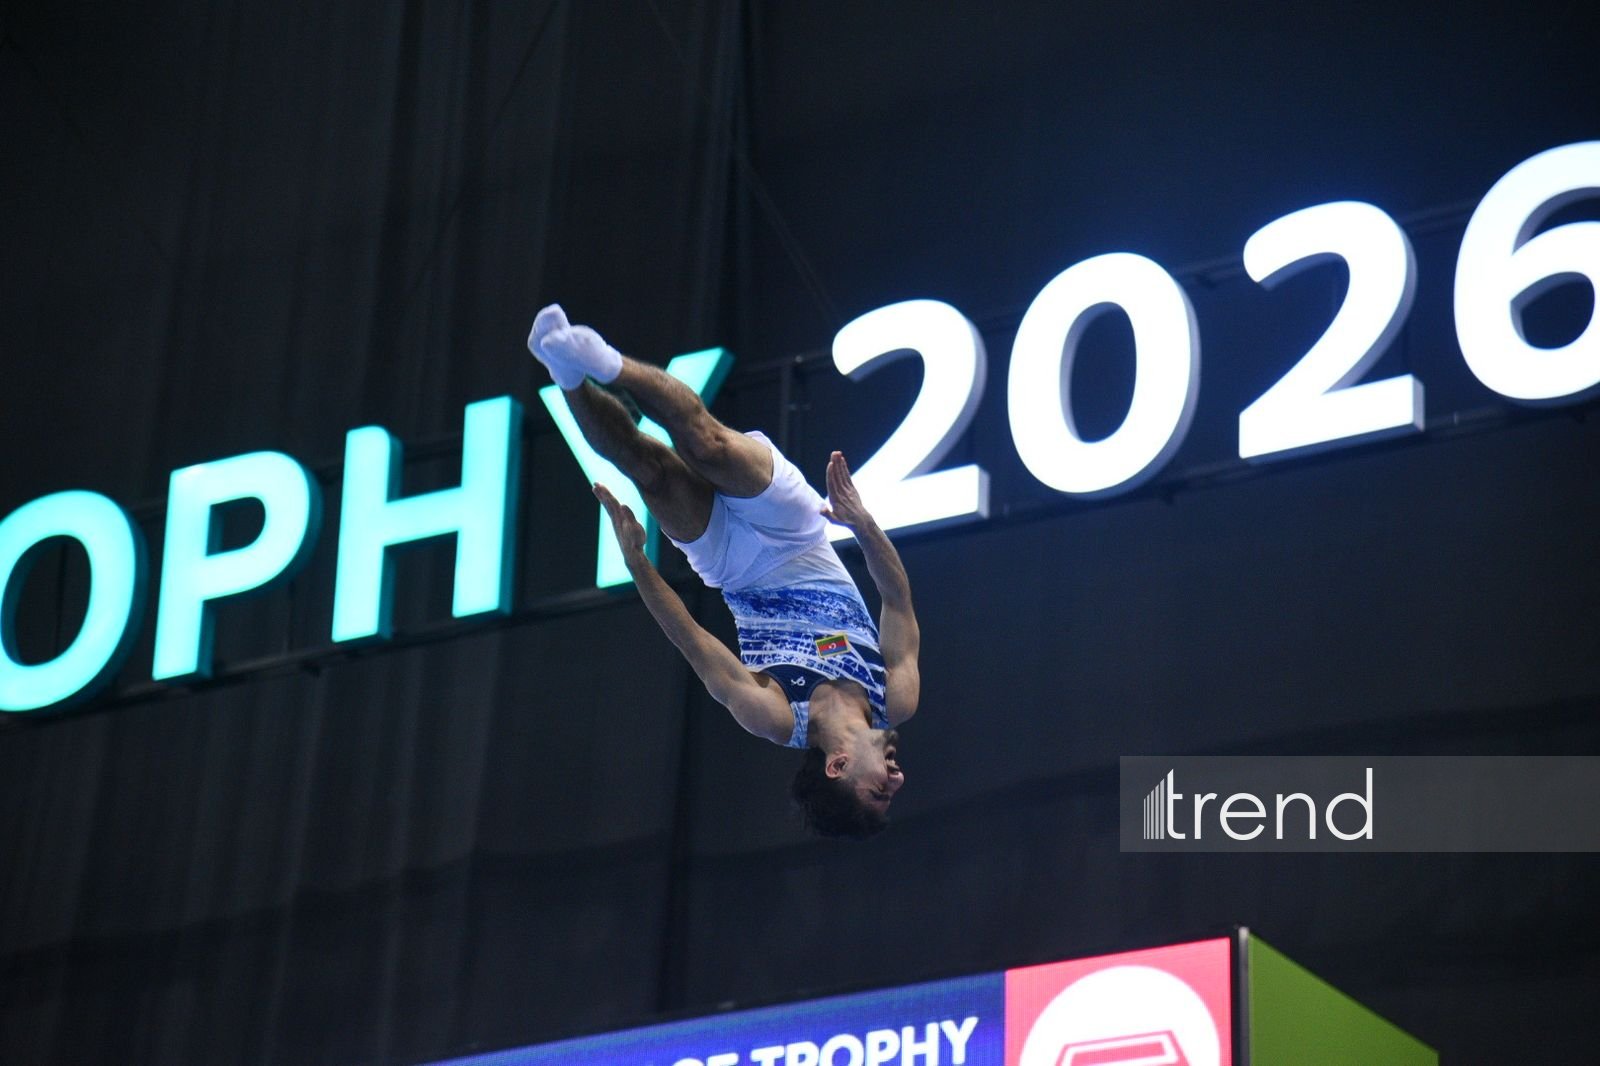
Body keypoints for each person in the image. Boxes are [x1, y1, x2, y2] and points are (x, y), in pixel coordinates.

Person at [528, 305, 919, 838]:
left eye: (880, 792)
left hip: (731, 566)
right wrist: (863, 523)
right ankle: (606, 361)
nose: (897, 779)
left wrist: (637, 562)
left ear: (838, 767)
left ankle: (567, 375)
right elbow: (896, 600)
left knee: (649, 468)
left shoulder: (775, 715)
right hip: (797, 534)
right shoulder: (895, 696)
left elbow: (691, 640)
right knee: (706, 444)